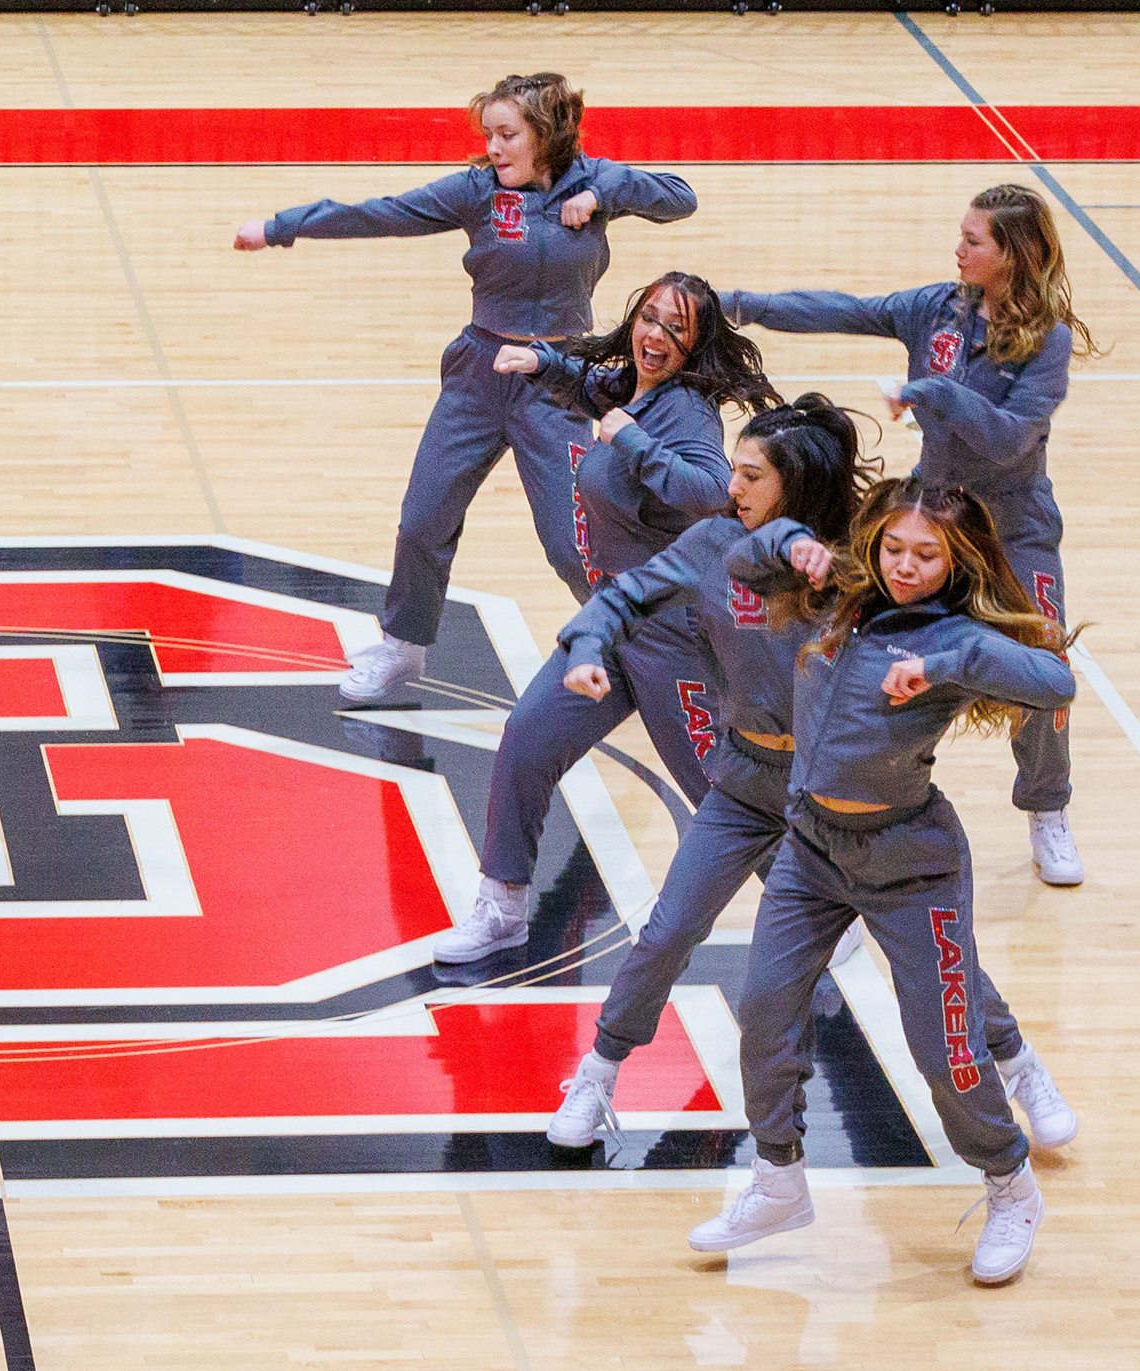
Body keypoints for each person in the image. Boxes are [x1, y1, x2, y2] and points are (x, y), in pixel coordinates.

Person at [543, 397, 1076, 1164]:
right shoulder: (715, 544)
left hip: (836, 796)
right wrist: (590, 648)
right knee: (669, 929)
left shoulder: (865, 564)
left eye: (750, 474)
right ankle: (598, 1072)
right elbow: (620, 598)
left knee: (921, 952)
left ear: (794, 484)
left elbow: (973, 620)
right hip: (743, 782)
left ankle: (1016, 1060)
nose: (731, 486)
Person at [686, 476, 1077, 1287]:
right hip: (810, 851)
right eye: (894, 547)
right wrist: (790, 542)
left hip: (909, 862)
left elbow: (1056, 682)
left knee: (942, 1051)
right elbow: (742, 560)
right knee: (762, 1012)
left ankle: (1010, 1184)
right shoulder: (837, 593)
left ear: (956, 560)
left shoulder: (955, 636)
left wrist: (944, 664)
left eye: (927, 555)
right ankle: (779, 1180)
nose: (905, 566)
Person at [233, 73, 697, 701]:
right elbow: (382, 213)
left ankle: (644, 646)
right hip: (478, 374)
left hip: (557, 381)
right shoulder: (477, 191)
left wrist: (601, 190)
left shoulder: (595, 182)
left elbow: (681, 198)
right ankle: (403, 648)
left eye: (508, 135)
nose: (494, 148)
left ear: (546, 134)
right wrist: (281, 226)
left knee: (572, 543)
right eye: (489, 135)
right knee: (423, 519)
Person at [722, 184, 1098, 886]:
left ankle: (1047, 806)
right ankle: (823, 793)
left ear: (1012, 254)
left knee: (1043, 656)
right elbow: (845, 309)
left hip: (1012, 526)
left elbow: (1008, 440)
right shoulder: (936, 308)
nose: (958, 249)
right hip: (932, 519)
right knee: (840, 620)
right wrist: (743, 304)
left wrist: (931, 391)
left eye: (973, 240)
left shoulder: (1045, 340)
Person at [432, 272, 776, 965]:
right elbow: (596, 387)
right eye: (649, 317)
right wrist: (544, 362)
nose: (655, 335)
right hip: (613, 622)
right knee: (528, 738)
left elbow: (712, 491)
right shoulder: (635, 388)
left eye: (675, 328)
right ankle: (502, 908)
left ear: (696, 345)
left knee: (720, 793)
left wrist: (635, 444)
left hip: (673, 636)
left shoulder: (686, 411)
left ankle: (817, 909)